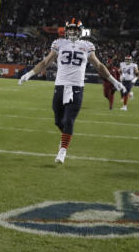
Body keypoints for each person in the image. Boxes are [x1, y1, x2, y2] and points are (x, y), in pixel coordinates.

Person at [18, 18, 124, 164]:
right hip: (60, 86)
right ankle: (65, 139)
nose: (72, 31)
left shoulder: (87, 46)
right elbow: (45, 62)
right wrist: (29, 74)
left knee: (69, 120)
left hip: (76, 87)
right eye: (70, 29)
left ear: (80, 31)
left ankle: (62, 150)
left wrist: (114, 81)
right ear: (66, 30)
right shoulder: (59, 43)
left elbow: (99, 66)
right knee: (58, 121)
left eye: (75, 29)